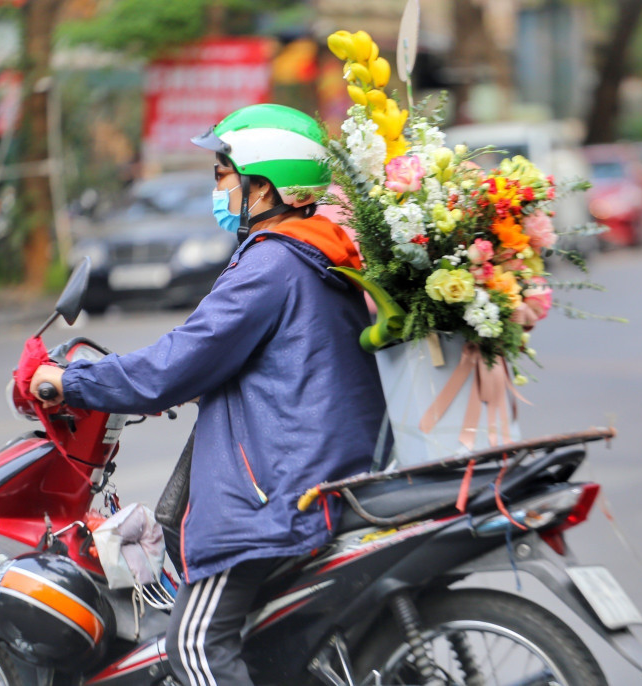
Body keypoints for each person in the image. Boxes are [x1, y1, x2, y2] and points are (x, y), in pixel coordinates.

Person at [29, 103, 386, 686]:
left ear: (263, 186)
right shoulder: (314, 252)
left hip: (277, 495)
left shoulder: (272, 263)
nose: (218, 189)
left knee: (193, 646)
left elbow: (177, 362)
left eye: (223, 175)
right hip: (319, 469)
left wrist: (71, 381)